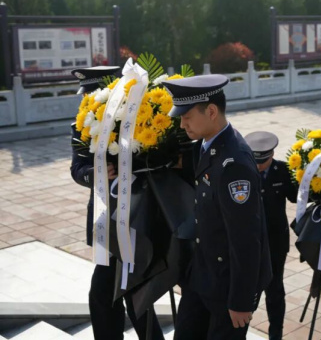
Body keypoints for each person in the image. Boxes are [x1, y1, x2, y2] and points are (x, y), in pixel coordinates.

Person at [162, 74, 272, 340]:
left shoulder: (234, 164)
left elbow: (246, 238)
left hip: (229, 283)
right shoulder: (206, 145)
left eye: (187, 117)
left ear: (211, 112)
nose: (182, 123)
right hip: (203, 275)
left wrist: (242, 300)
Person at [70, 66, 165, 340]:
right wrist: (94, 173)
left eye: (92, 95)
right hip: (106, 222)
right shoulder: (82, 125)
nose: (87, 101)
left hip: (136, 220)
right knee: (108, 295)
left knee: (132, 294)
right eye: (86, 96)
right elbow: (77, 168)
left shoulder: (140, 121)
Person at [243, 131, 296, 340]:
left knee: (275, 292)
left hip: (275, 243)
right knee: (248, 293)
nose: (258, 167)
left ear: (272, 155)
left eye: (263, 162)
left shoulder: (282, 170)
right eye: (255, 162)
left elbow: (296, 197)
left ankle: (276, 334)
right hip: (251, 243)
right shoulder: (242, 170)